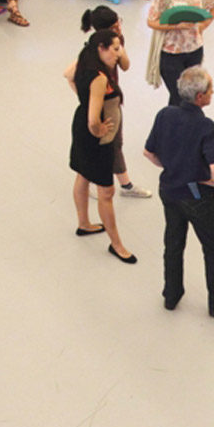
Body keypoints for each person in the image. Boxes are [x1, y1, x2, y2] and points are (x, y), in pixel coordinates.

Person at [143, 67, 214, 317]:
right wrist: (211, 182)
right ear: (199, 97)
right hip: (196, 197)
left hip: (169, 190)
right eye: (210, 89)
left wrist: (176, 167)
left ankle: (171, 295)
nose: (213, 92)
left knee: (173, 243)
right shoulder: (206, 127)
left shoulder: (164, 114)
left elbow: (149, 152)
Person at [63, 6, 153, 199]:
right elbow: (68, 74)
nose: (119, 26)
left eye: (119, 22)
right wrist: (88, 99)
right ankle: (120, 184)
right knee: (108, 144)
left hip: (112, 102)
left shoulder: (114, 43)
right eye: (115, 25)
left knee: (114, 143)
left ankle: (111, 182)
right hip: (103, 106)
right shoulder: (92, 52)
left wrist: (119, 44)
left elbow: (126, 66)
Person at [69, 30, 137, 265]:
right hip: (97, 141)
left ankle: (84, 223)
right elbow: (92, 119)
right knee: (106, 193)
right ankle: (116, 244)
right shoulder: (98, 78)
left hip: (80, 132)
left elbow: (68, 75)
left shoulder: (85, 57)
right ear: (101, 47)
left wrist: (84, 99)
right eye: (115, 48)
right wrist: (98, 129)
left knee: (83, 175)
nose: (119, 54)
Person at [147, 0, 214, 107]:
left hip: (194, 49)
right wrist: (176, 26)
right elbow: (151, 21)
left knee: (188, 97)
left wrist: (204, 25)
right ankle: (175, 126)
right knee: (180, 97)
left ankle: (173, 124)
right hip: (171, 53)